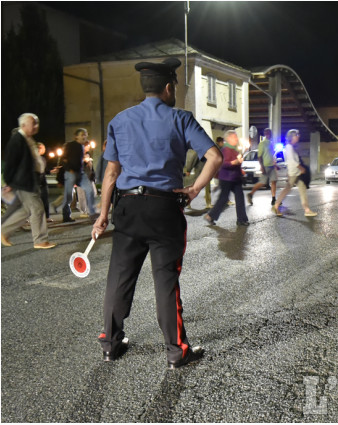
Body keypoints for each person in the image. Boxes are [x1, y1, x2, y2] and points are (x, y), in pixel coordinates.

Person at [92, 57, 223, 369]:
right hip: (165, 208)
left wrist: (101, 216)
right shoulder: (181, 119)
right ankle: (176, 351)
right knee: (166, 281)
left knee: (119, 277)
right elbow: (214, 157)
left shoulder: (120, 121)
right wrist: (193, 189)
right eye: (174, 86)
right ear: (168, 88)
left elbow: (110, 174)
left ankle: (111, 344)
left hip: (127, 208)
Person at [1, 113, 56, 249]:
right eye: (34, 123)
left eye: (37, 123)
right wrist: (8, 182)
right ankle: (40, 240)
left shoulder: (27, 139)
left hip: (31, 179)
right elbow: (10, 163)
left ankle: (4, 231)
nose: (36, 126)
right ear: (24, 125)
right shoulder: (17, 140)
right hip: (24, 181)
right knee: (37, 208)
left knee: (26, 210)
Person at [204, 130, 249, 226]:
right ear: (228, 138)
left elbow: (236, 161)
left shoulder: (234, 149)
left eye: (236, 137)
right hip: (226, 178)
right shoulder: (225, 150)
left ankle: (241, 219)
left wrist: (240, 168)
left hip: (235, 178)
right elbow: (224, 164)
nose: (236, 139)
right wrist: (235, 162)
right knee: (223, 199)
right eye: (234, 137)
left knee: (240, 198)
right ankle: (210, 216)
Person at [273, 129, 317, 217]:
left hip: (295, 173)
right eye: (296, 135)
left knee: (301, 188)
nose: (298, 137)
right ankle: (276, 205)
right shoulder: (289, 147)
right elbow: (292, 161)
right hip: (294, 173)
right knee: (287, 189)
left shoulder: (290, 147)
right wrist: (301, 168)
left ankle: (307, 209)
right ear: (292, 137)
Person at [60, 128, 97, 222]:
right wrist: (69, 169)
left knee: (90, 190)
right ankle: (66, 215)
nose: (84, 136)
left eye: (85, 134)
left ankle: (92, 213)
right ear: (76, 136)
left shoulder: (82, 147)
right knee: (69, 196)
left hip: (80, 173)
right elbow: (63, 159)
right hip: (71, 173)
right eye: (82, 135)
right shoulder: (70, 145)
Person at [246, 128, 278, 207]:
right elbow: (260, 156)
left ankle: (274, 199)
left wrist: (275, 164)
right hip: (265, 165)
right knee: (262, 183)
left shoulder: (272, 143)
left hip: (272, 166)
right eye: (267, 133)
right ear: (265, 134)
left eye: (269, 133)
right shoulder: (262, 144)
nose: (268, 134)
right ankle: (250, 194)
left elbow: (272, 155)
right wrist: (262, 166)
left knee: (274, 181)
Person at [37, 142, 53, 222]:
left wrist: (51, 171)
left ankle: (46, 216)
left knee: (45, 199)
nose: (44, 150)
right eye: (43, 148)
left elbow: (44, 171)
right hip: (35, 182)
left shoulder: (43, 159)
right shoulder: (32, 159)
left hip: (43, 181)